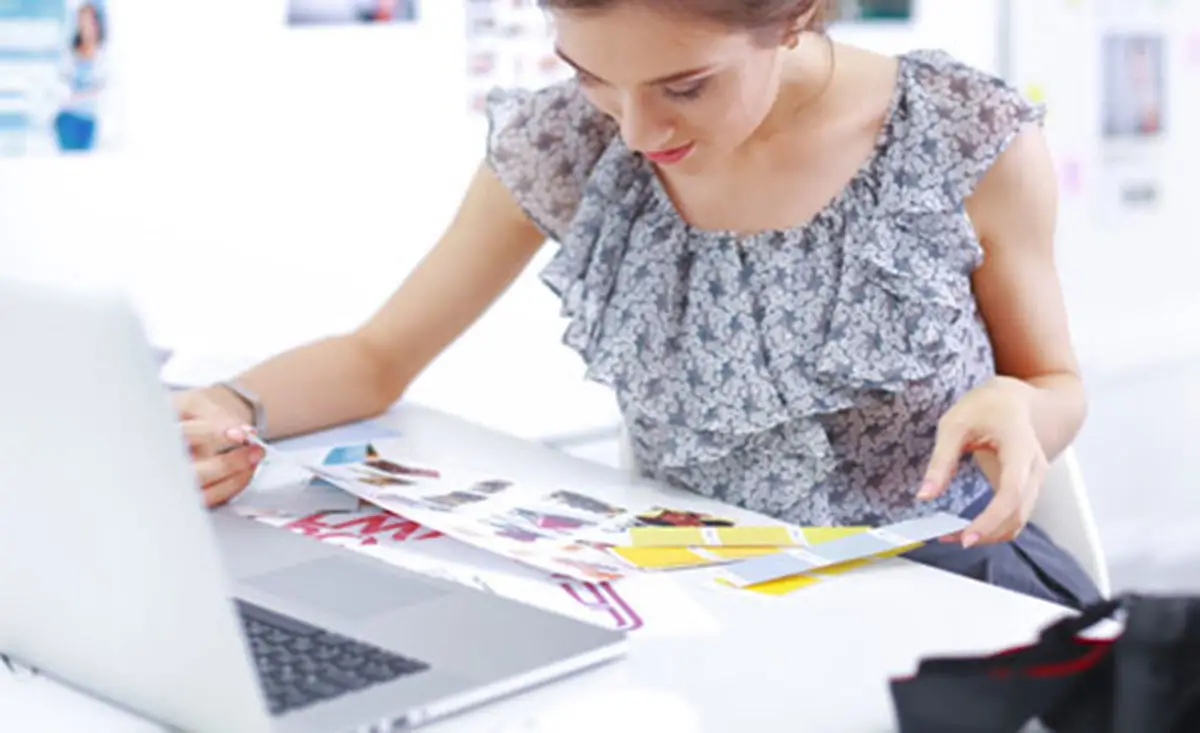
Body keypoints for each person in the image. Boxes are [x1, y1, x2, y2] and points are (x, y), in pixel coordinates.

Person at [174, 0, 1102, 608]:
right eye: (590, 73)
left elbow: (1054, 382)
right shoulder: (574, 141)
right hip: (705, 596)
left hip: (941, 594)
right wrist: (231, 406)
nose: (635, 128)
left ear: (796, 17)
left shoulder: (959, 136)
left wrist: (1021, 406)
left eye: (684, 86)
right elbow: (377, 355)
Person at [54, 2, 106, 152]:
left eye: (89, 21)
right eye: (81, 21)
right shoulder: (69, 53)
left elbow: (104, 88)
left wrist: (79, 94)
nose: (85, 26)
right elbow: (61, 84)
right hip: (68, 118)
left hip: (90, 119)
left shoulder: (103, 55)